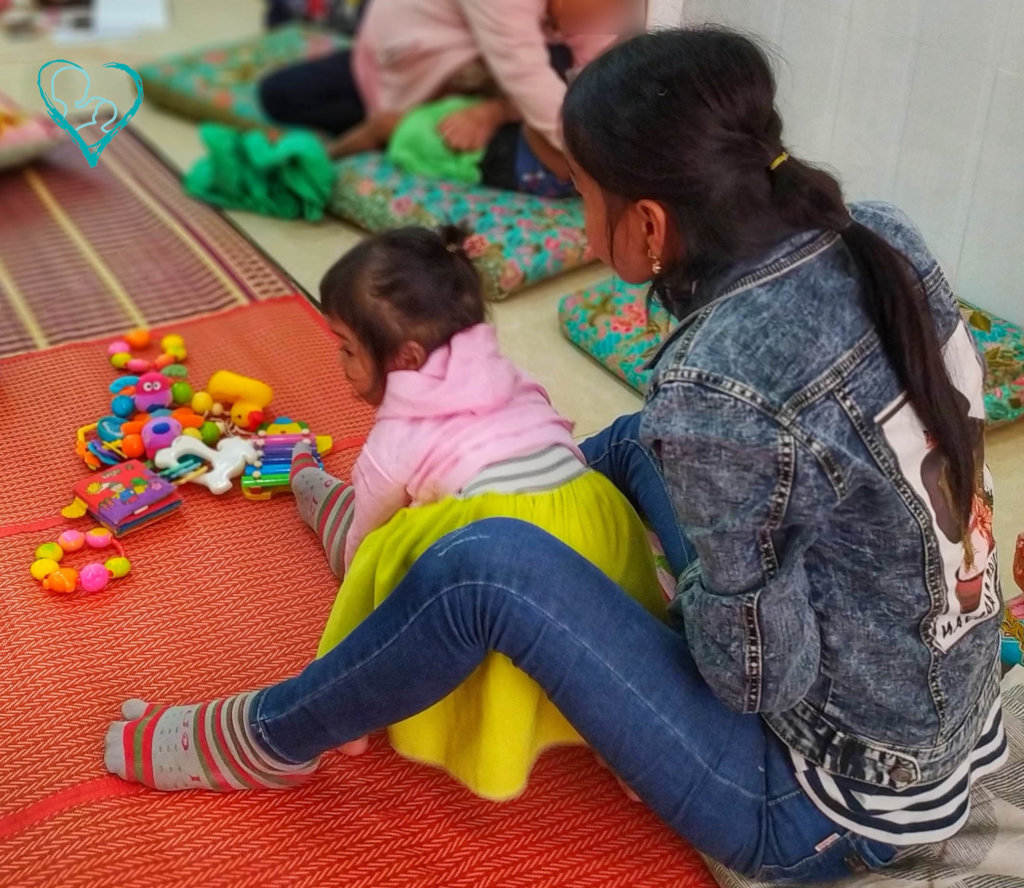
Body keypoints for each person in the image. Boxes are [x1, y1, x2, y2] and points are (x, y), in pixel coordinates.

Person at [102, 28, 1006, 883]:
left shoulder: (715, 388)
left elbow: (759, 678)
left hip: (815, 807)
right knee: (617, 452)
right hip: (942, 715)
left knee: (485, 571)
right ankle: (408, 538)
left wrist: (672, 585)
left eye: (580, 192)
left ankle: (273, 737)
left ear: (649, 225)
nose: (578, 217)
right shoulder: (880, 233)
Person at [104, 225, 665, 802]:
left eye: (347, 348)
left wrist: (360, 576)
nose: (340, 362)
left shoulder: (398, 434)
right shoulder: (514, 377)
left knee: (385, 548)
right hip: (596, 521)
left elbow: (367, 541)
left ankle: (337, 706)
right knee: (442, 514)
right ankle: (633, 744)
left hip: (499, 540)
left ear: (407, 358)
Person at [258, 0, 632, 195]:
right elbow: (528, 78)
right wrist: (606, 167)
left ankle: (351, 145)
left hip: (483, 87)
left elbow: (584, 85)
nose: (609, 18)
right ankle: (334, 152)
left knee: (558, 66)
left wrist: (496, 111)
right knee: (281, 96)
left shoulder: (589, 22)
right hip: (413, 61)